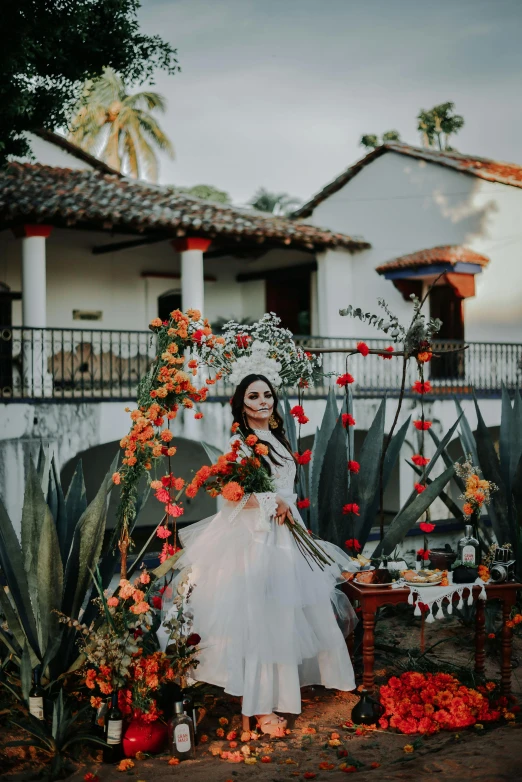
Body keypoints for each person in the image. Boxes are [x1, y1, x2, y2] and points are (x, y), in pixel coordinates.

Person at [160, 372, 358, 737]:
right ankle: (262, 707)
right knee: (262, 617)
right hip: (256, 539)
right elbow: (231, 497)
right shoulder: (239, 444)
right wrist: (272, 500)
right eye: (254, 396)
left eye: (268, 394)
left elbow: (285, 485)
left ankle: (313, 682)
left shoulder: (278, 438)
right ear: (242, 404)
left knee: (291, 612)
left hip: (287, 533)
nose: (263, 401)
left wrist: (286, 505)